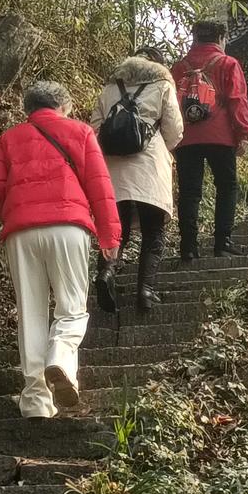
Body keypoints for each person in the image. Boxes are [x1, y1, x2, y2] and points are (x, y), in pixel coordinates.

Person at [0, 81, 121, 418]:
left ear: (27, 109)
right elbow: (99, 186)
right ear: (65, 105)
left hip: (21, 233)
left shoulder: (10, 137)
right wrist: (110, 236)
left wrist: (14, 214)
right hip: (68, 226)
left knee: (30, 313)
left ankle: (35, 401)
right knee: (71, 307)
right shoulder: (81, 132)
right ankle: (59, 357)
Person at [90, 48, 183, 313]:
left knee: (117, 229)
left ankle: (107, 272)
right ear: (157, 65)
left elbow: (95, 127)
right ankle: (146, 292)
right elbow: (174, 132)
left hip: (114, 169)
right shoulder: (163, 85)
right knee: (154, 232)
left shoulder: (110, 88)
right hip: (150, 168)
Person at [171, 20, 248, 259]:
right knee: (226, 187)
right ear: (221, 39)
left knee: (189, 191)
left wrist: (172, 138)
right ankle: (223, 242)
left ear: (194, 39)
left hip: (187, 138)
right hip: (221, 135)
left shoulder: (178, 67)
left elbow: (170, 105)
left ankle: (188, 247)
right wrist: (243, 132)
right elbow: (237, 99)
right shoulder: (227, 63)